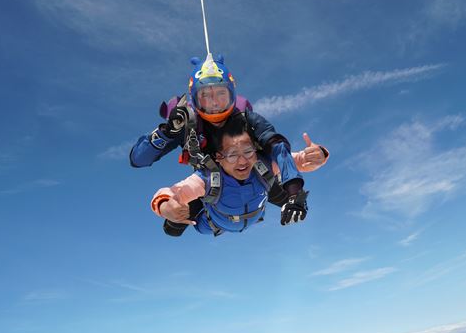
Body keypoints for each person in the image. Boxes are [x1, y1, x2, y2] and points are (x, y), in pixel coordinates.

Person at [130, 54, 329, 234]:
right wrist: (166, 132)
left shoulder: (248, 120)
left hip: (253, 175)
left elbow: (277, 146)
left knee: (283, 191)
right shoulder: (186, 124)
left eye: (221, 94)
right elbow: (139, 159)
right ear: (195, 99)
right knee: (173, 226)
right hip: (210, 183)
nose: (215, 103)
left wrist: (313, 158)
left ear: (232, 93)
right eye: (205, 96)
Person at [150, 114, 328, 236]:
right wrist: (165, 206)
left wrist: (318, 155)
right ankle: (177, 219)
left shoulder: (263, 164)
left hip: (251, 212)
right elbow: (174, 191)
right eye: (232, 155)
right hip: (213, 224)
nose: (242, 161)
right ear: (219, 157)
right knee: (174, 228)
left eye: (248, 152)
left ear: (255, 152)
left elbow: (299, 160)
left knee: (277, 184)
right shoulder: (207, 178)